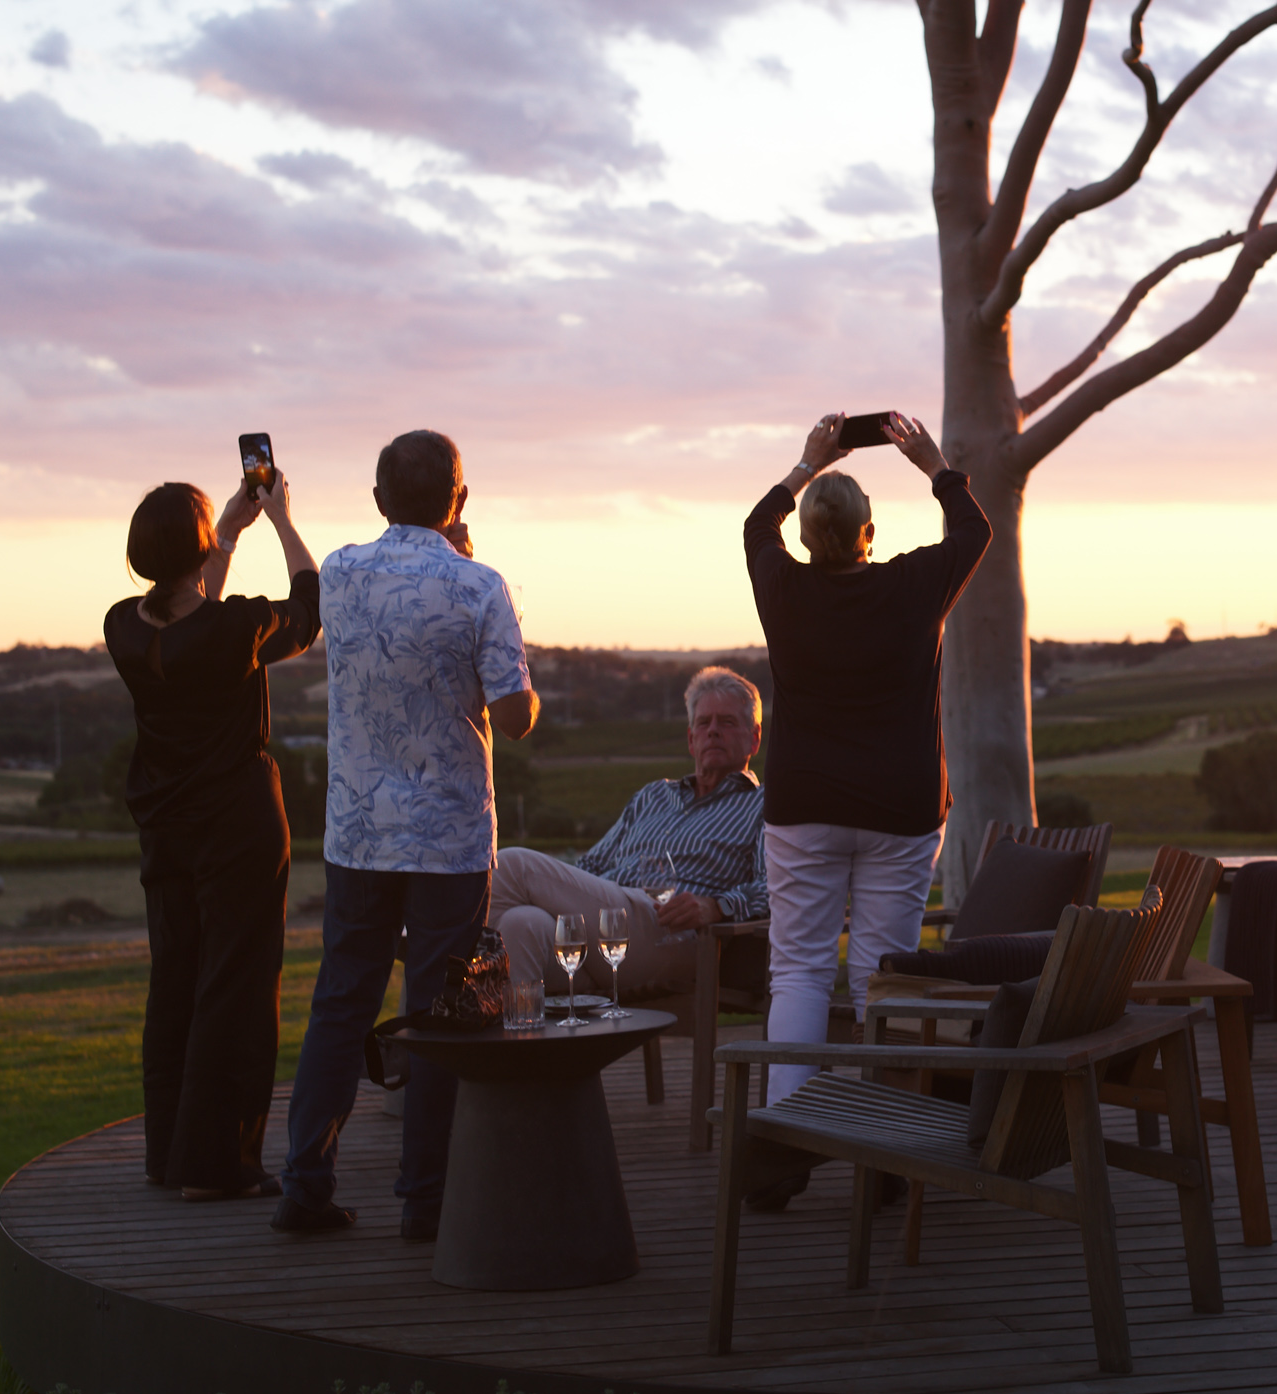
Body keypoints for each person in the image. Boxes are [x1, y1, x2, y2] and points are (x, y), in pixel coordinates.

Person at [275, 430, 538, 1243]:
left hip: (356, 831)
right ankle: (426, 1201)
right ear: (460, 500)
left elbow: (307, 585)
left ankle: (305, 1185)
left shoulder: (344, 574)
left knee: (340, 1004)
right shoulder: (479, 586)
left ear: (380, 498)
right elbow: (517, 716)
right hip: (449, 839)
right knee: (435, 1013)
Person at [742, 409, 991, 1206]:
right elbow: (973, 530)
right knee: (885, 974)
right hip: (901, 805)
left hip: (805, 804)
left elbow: (757, 522)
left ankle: (783, 1148)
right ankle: (885, 1153)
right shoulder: (912, 584)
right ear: (870, 534)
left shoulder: (782, 587)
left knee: (801, 970)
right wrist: (933, 463)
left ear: (811, 539)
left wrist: (807, 463)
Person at [103, 473, 319, 1201]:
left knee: (175, 983)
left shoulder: (123, 628)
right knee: (236, 987)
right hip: (238, 829)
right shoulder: (236, 630)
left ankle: (167, 1156)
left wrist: (223, 536)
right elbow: (308, 608)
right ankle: (217, 1165)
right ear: (195, 551)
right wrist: (283, 523)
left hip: (167, 833)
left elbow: (191, 624)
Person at [488, 665, 766, 1002]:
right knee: (521, 924)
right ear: (691, 740)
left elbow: (780, 887)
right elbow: (591, 865)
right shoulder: (653, 796)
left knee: (514, 865)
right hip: (606, 928)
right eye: (704, 723)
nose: (713, 731)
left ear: (754, 737)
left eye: (728, 722)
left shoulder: (763, 806)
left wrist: (720, 906)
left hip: (672, 933)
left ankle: (438, 970)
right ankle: (516, 1050)